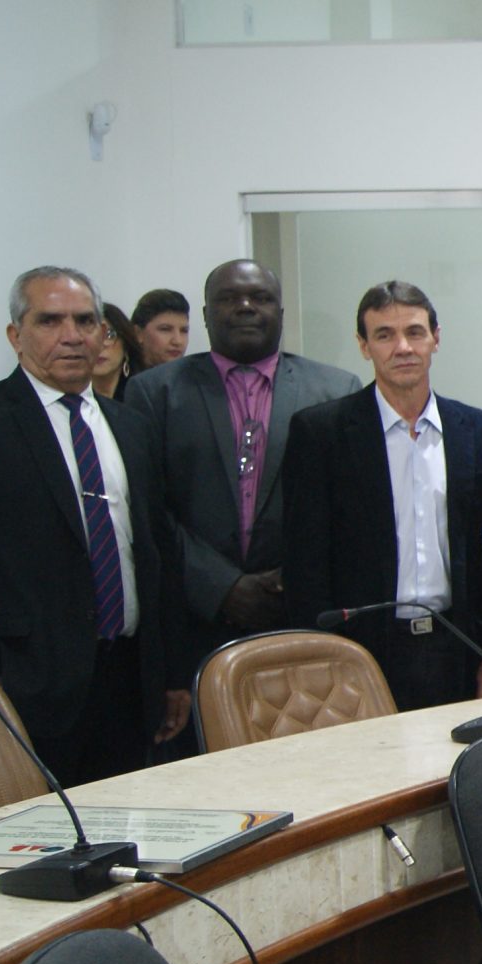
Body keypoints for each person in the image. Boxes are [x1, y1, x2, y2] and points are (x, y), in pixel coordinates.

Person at [0, 268, 188, 783]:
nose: (72, 335)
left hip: (129, 680)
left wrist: (169, 675)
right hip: (28, 685)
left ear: (105, 333)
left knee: (128, 832)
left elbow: (157, 553)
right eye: (50, 321)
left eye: (85, 321)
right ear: (16, 335)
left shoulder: (131, 426)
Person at [283, 282, 482, 711]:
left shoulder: (479, 432)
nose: (402, 347)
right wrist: (320, 657)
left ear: (436, 339)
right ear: (363, 345)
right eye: (385, 335)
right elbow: (305, 561)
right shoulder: (321, 434)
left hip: (457, 648)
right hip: (360, 652)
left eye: (415, 332)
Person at [122, 259, 359, 666]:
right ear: (205, 314)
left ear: (280, 313)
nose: (246, 306)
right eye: (229, 298)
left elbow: (347, 508)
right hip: (191, 622)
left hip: (299, 617)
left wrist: (292, 578)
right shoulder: (153, 393)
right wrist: (221, 587)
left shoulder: (335, 390)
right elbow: (148, 509)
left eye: (260, 298)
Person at [130, 289, 190, 371]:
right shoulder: (119, 380)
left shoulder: (194, 379)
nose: (177, 341)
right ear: (138, 333)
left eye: (184, 331)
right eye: (165, 329)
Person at [90, 302, 138, 399]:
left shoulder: (142, 400)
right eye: (92, 336)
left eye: (109, 335)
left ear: (126, 345)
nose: (100, 346)